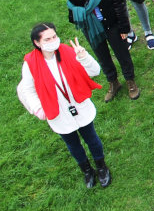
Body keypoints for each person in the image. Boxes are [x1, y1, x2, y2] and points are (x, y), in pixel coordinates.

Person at [17, 23, 112, 188]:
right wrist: (38, 108)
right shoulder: (31, 63)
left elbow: (95, 71)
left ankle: (101, 167)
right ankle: (87, 171)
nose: (53, 40)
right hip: (58, 112)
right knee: (73, 145)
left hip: (79, 105)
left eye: (54, 36)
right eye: (47, 39)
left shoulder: (68, 51)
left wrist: (84, 57)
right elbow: (26, 89)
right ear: (37, 43)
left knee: (92, 139)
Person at [43, 0, 139, 101]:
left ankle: (130, 81)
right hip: (90, 27)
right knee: (102, 55)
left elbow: (119, 4)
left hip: (111, 25)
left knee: (122, 54)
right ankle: (113, 82)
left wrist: (124, 28)